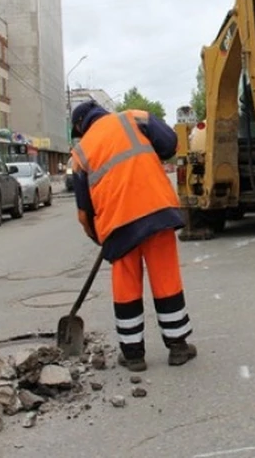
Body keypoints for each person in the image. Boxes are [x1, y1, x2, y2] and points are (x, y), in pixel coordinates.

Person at [69, 100, 196, 372]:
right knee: (166, 279)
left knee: (126, 286)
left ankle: (133, 355)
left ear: (80, 127)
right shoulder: (135, 118)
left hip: (117, 225)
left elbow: (83, 212)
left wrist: (100, 237)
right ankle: (178, 348)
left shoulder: (80, 153)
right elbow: (171, 144)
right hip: (157, 210)